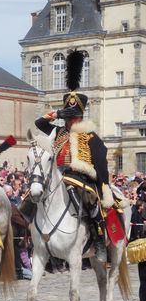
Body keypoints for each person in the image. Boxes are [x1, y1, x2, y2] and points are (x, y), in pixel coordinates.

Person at [33, 50, 113, 262]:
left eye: (73, 117)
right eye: (69, 118)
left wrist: (103, 186)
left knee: (91, 203)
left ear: (80, 116)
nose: (71, 121)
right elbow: (40, 124)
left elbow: (101, 165)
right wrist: (58, 114)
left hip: (82, 177)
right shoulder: (59, 131)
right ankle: (31, 233)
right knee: (31, 197)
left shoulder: (91, 136)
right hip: (57, 174)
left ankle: (98, 239)